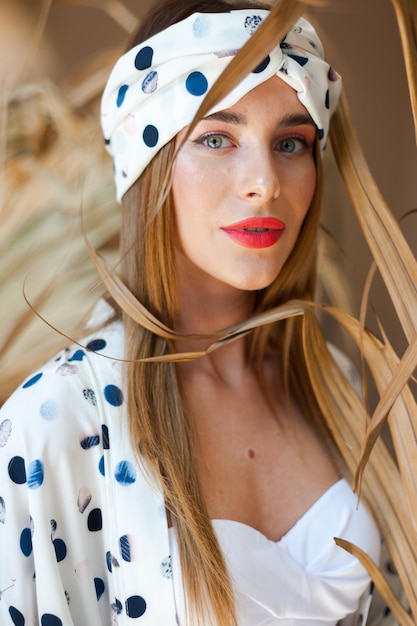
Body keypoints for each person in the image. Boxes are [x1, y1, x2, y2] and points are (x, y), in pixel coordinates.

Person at [2, 0, 413, 624]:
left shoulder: (336, 385)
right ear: (148, 164)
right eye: (217, 137)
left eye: (291, 142)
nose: (265, 181)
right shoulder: (60, 418)